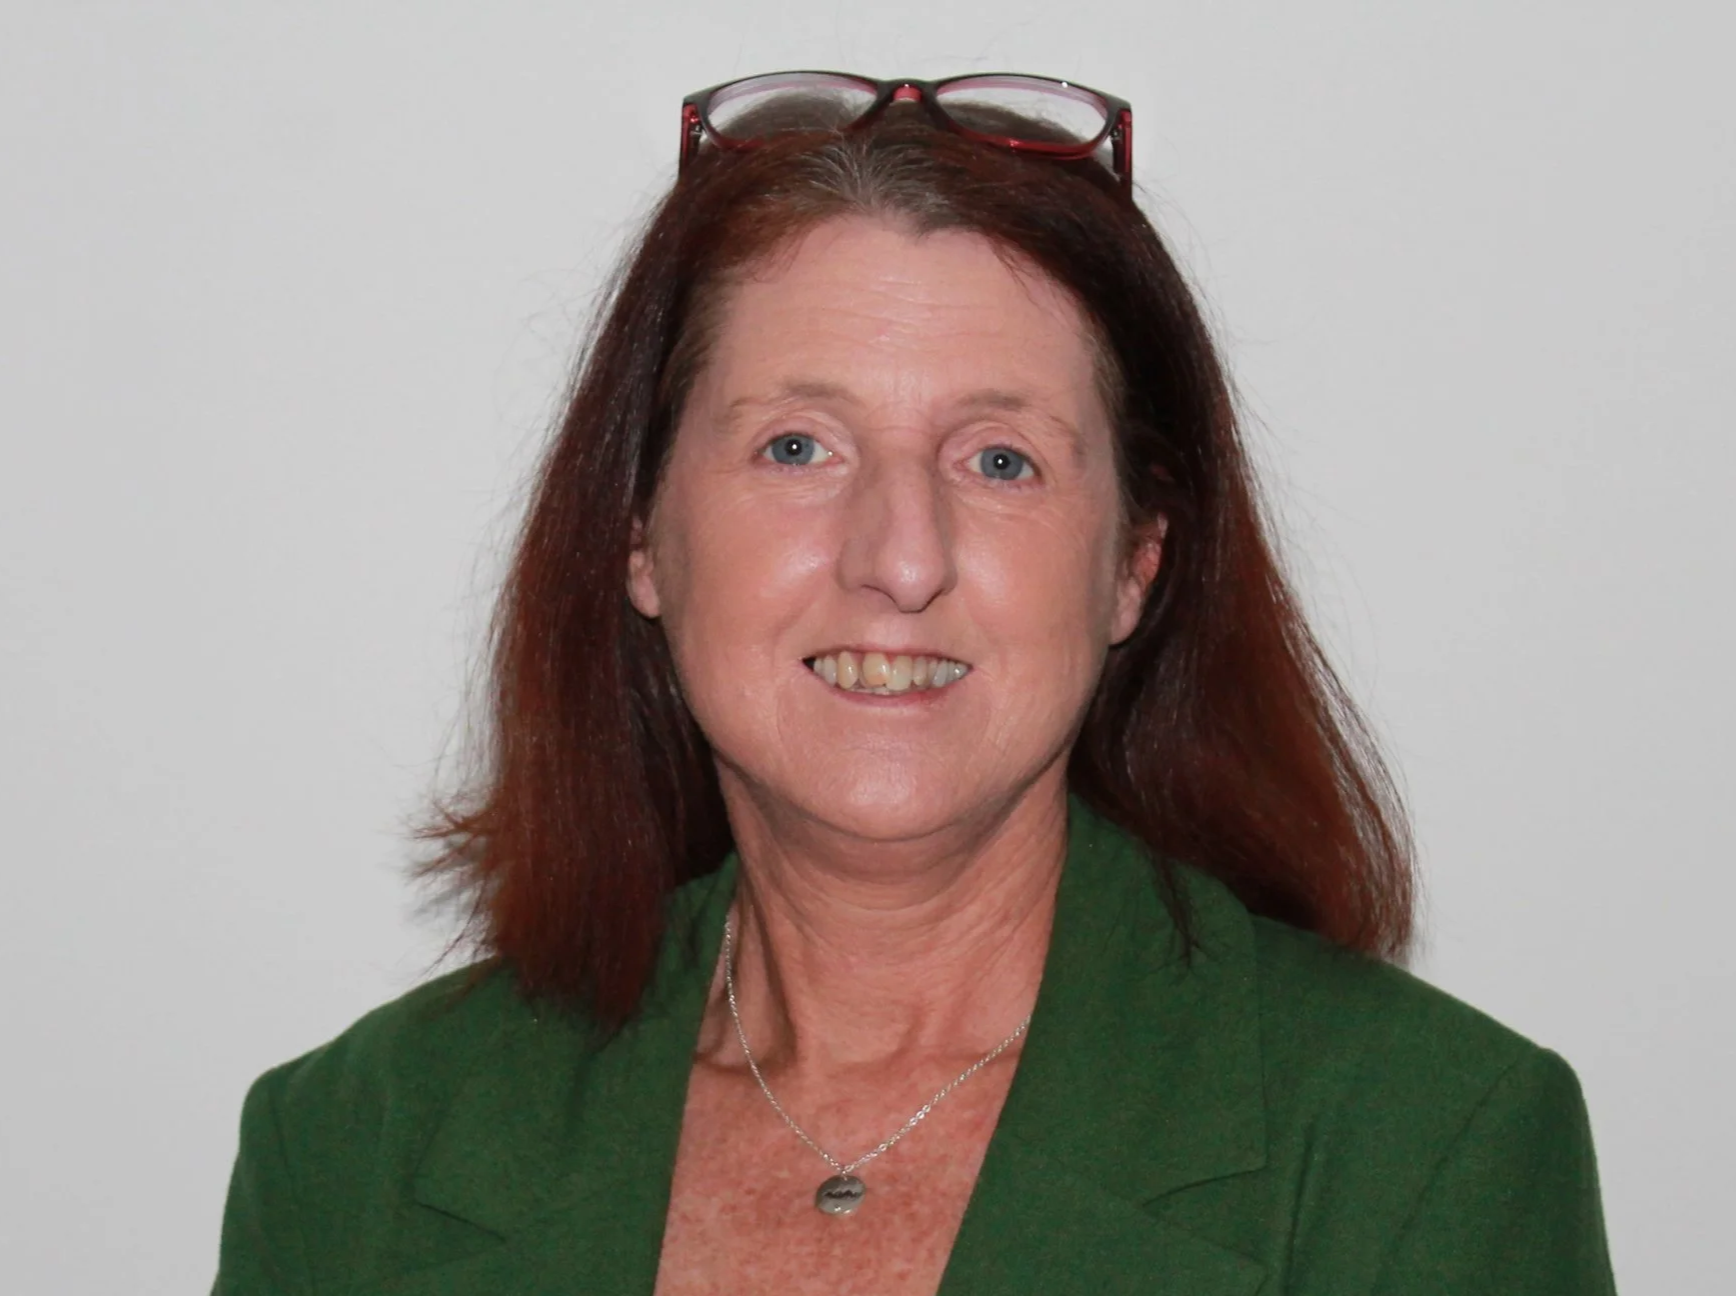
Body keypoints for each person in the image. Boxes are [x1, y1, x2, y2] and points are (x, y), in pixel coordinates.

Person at [212, 72, 1618, 1294]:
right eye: (798, 448)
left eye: (1000, 460)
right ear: (639, 533)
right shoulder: (352, 1148)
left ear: (1133, 565)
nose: (900, 557)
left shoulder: (1430, 1149)